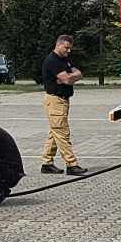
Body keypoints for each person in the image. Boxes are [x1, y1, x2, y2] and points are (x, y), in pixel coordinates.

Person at [38, 34, 86, 176]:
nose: (69, 51)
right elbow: (67, 79)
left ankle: (46, 163)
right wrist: (69, 78)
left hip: (62, 100)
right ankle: (71, 164)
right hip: (55, 101)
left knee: (55, 132)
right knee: (62, 133)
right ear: (58, 45)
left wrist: (71, 77)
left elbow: (78, 74)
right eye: (66, 47)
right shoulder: (52, 61)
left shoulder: (64, 60)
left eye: (70, 48)